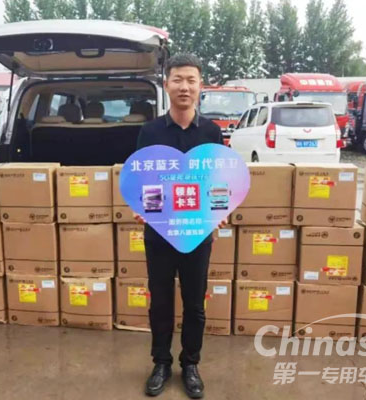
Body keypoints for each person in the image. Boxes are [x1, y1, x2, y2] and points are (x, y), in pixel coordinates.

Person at [135, 53, 225, 399]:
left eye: (191, 80)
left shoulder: (211, 132)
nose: (184, 87)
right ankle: (160, 362)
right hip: (160, 231)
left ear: (201, 86)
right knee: (160, 301)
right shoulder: (150, 131)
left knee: (194, 304)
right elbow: (145, 179)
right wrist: (147, 209)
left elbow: (218, 179)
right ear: (166, 84)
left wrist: (219, 210)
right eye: (178, 79)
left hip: (197, 232)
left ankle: (190, 364)